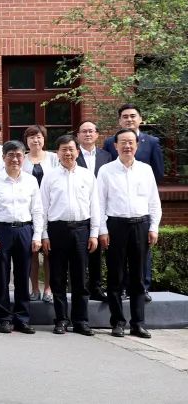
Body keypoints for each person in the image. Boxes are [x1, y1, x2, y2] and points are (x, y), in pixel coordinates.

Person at [98, 128, 162, 339]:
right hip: (116, 226)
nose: (127, 146)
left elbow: (154, 201)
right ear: (115, 145)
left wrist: (153, 227)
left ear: (137, 145)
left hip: (140, 226)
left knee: (138, 278)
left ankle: (138, 323)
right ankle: (117, 322)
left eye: (131, 142)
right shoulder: (106, 171)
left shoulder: (145, 170)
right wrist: (102, 230)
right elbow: (99, 203)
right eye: (123, 142)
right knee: (115, 276)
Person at [102, 104, 164, 301]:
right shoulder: (110, 142)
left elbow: (158, 172)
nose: (129, 119)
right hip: (117, 213)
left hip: (141, 206)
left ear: (140, 119)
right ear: (119, 120)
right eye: (125, 116)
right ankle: (120, 289)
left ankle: (142, 288)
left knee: (142, 256)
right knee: (117, 259)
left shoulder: (152, 141)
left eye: (133, 116)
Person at [40, 135, 99, 336]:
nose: (68, 153)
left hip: (82, 229)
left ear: (77, 152)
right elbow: (42, 208)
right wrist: (44, 234)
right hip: (57, 230)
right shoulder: (49, 177)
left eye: (71, 149)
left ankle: (81, 321)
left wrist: (94, 233)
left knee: (80, 278)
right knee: (58, 277)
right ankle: (61, 320)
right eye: (63, 149)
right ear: (57, 153)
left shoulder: (87, 176)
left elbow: (95, 206)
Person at [0, 140, 44, 335]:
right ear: (3, 157)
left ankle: (22, 318)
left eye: (19, 155)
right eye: (10, 155)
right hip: (1, 231)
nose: (15, 159)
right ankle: (5, 318)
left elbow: (37, 210)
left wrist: (37, 235)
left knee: (22, 276)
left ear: (23, 157)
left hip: (24, 231)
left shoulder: (31, 181)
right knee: (2, 277)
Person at [76, 120, 113, 301]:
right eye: (84, 131)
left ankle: (96, 287)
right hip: (80, 209)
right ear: (78, 136)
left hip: (101, 209)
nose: (88, 134)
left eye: (91, 131)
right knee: (79, 253)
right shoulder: (72, 155)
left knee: (96, 251)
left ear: (97, 135)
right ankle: (79, 287)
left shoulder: (107, 156)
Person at [22, 124, 57, 303]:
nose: (35, 140)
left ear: (44, 139)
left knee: (49, 252)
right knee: (33, 252)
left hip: (51, 210)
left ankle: (48, 289)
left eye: (39, 137)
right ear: (26, 140)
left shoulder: (53, 158)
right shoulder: (22, 159)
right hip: (28, 211)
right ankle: (34, 288)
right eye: (31, 137)